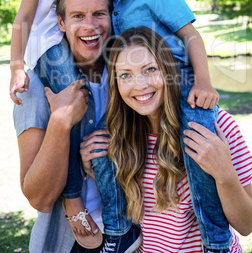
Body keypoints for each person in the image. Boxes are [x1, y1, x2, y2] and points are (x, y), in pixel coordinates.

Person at [94, 0, 230, 252]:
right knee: (99, 144)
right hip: (139, 87)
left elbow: (192, 36)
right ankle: (118, 230)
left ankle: (214, 237)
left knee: (197, 144)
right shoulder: (105, 0)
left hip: (179, 83)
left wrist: (203, 83)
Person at [90, 26, 252, 253]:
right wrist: (91, 162)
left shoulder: (215, 126)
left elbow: (247, 225)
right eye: (125, 75)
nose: (140, 84)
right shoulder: (119, 138)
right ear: (115, 84)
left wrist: (225, 173)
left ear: (168, 70)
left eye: (149, 69)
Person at [13, 0, 142, 252]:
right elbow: (39, 198)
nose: (90, 26)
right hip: (69, 240)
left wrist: (102, 161)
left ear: (112, 16)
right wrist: (60, 123)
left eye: (99, 13)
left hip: (137, 232)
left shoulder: (129, 76)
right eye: (78, 16)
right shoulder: (35, 87)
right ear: (61, 22)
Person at [9, 0, 103, 247]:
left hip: (86, 44)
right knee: (74, 105)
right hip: (52, 47)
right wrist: (17, 66)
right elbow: (25, 17)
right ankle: (73, 197)